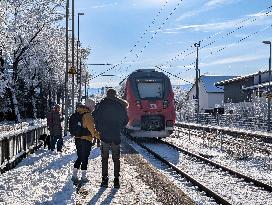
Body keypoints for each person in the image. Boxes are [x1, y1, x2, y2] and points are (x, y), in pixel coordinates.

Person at [93, 88, 128, 188]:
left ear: (107, 95)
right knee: (116, 159)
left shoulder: (102, 104)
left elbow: (94, 117)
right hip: (116, 136)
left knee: (104, 158)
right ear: (115, 95)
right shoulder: (120, 106)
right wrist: (118, 127)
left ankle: (104, 180)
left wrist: (100, 128)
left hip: (104, 136)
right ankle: (116, 180)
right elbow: (126, 120)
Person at [70, 100, 100, 184]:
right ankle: (83, 177)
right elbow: (92, 130)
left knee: (80, 157)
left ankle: (74, 175)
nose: (94, 108)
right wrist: (100, 137)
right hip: (86, 139)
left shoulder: (78, 113)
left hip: (77, 138)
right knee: (85, 157)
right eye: (93, 106)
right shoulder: (88, 115)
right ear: (90, 106)